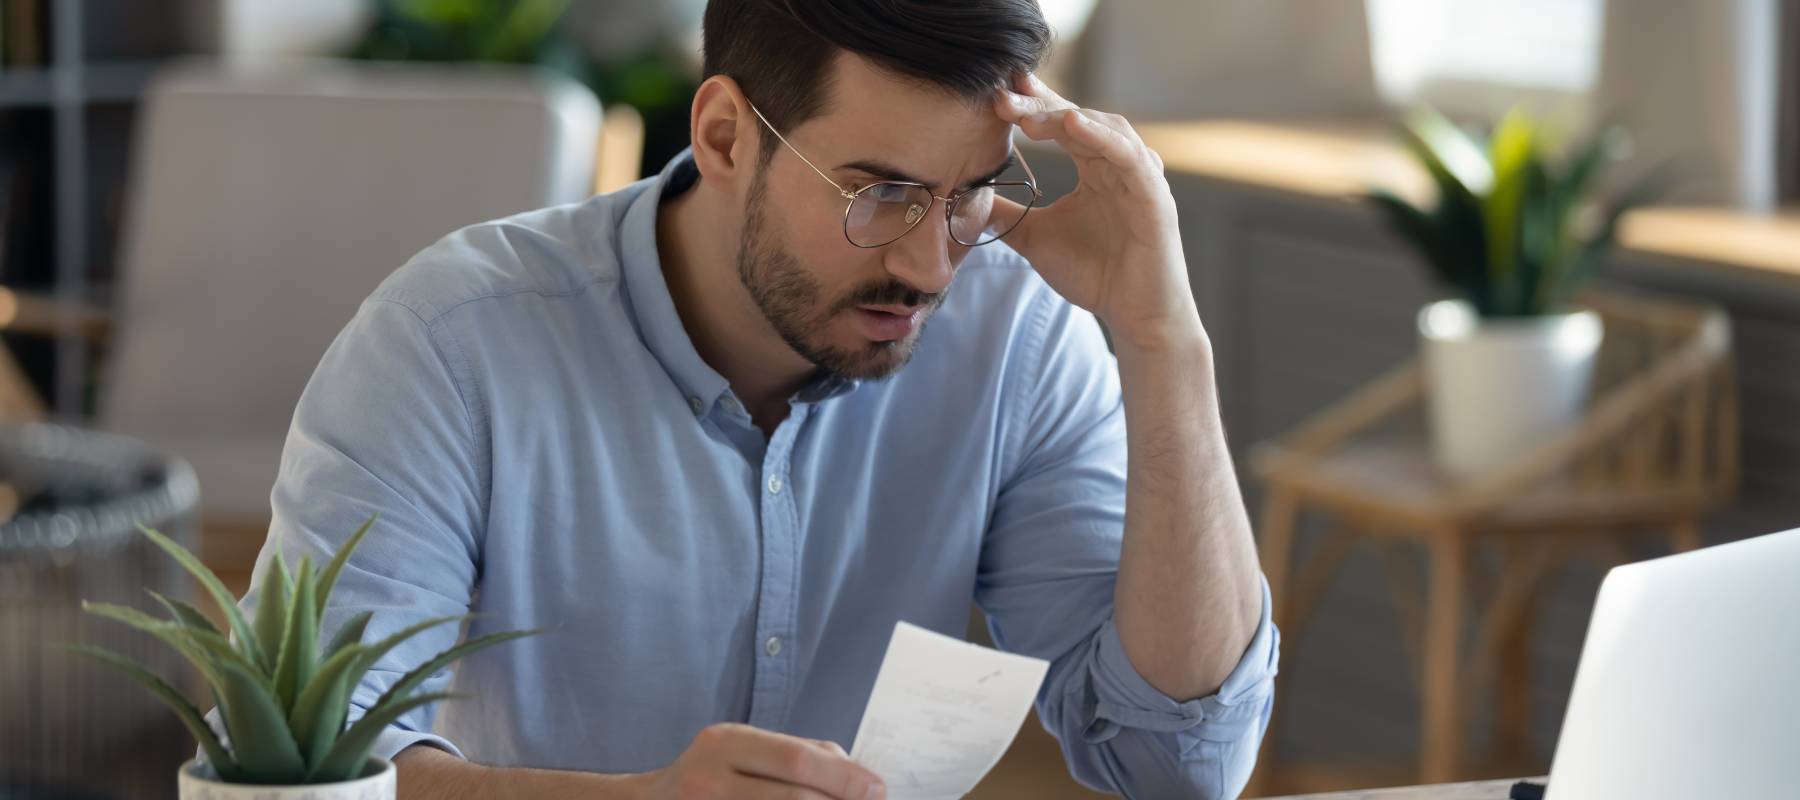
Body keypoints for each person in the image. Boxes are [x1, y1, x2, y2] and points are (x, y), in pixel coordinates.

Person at [239, 0, 1279, 797]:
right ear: (727, 133)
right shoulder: (450, 345)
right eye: (881, 193)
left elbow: (1177, 765)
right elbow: (305, 771)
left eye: (967, 194)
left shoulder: (1020, 336)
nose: (929, 263)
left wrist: (1163, 342)